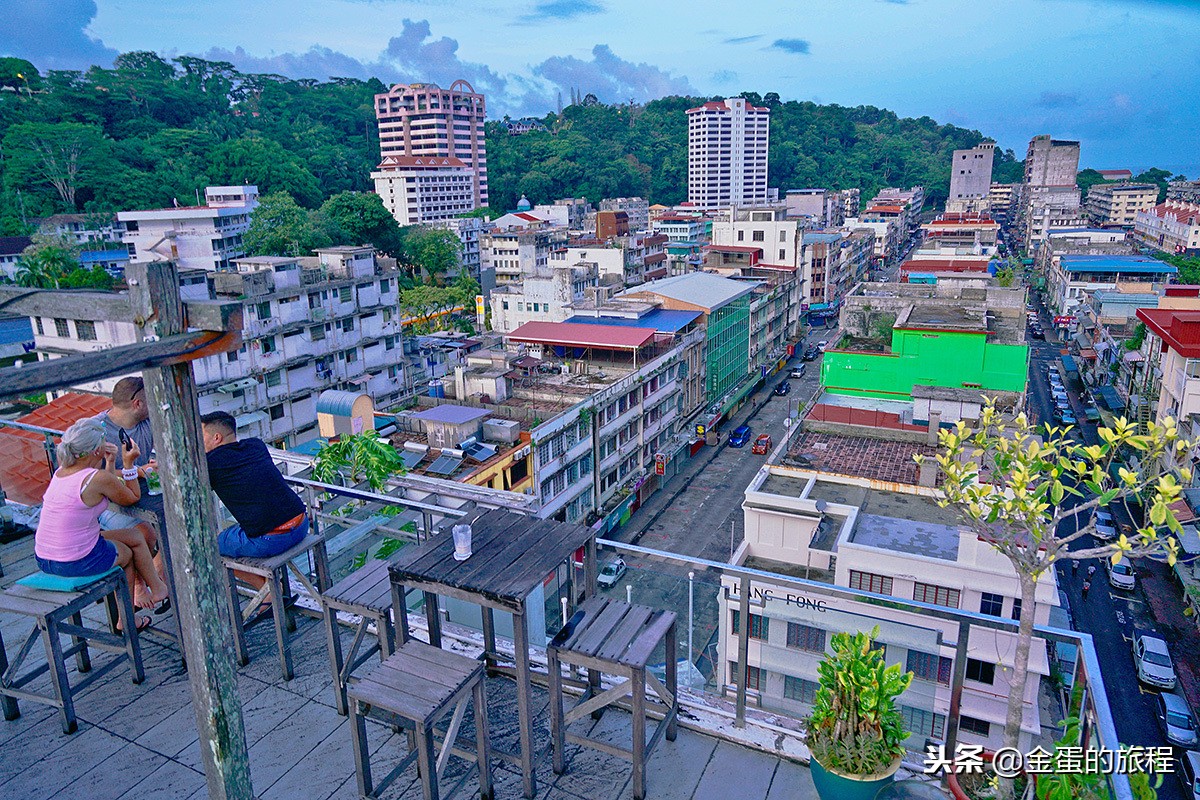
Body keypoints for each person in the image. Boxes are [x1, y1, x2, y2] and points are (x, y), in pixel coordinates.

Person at [35, 418, 167, 630]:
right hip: (74, 560)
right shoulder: (95, 479)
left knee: (136, 535)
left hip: (45, 557)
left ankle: (156, 588)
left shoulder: (61, 472)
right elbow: (132, 496)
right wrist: (129, 463)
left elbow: (102, 485)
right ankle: (127, 617)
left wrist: (109, 461)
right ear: (97, 450)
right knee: (126, 553)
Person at [201, 412, 308, 602]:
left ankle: (267, 590)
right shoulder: (256, 445)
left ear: (216, 438)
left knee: (209, 547)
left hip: (271, 540)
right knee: (236, 531)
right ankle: (270, 589)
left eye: (201, 436)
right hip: (301, 524)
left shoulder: (209, 465)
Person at [94, 376, 163, 608]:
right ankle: (139, 586)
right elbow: (95, 476)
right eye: (149, 399)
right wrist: (135, 470)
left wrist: (149, 468)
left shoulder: (147, 422)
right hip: (105, 503)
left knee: (175, 527)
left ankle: (159, 577)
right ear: (138, 404)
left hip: (139, 493)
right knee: (146, 533)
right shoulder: (98, 430)